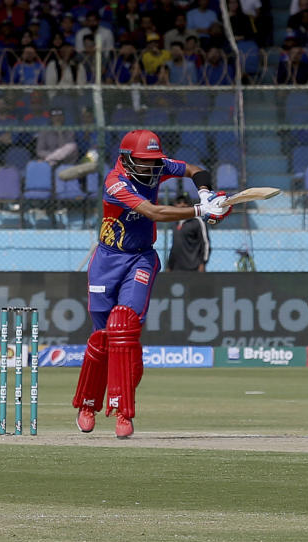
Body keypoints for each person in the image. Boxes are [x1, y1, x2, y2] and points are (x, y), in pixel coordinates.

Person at [73, 129, 233, 439]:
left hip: (141, 258)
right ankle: (88, 403)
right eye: (144, 162)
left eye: (153, 161)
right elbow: (153, 212)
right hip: (107, 263)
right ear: (127, 160)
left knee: (126, 329)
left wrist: (205, 193)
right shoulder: (114, 182)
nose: (150, 167)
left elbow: (194, 170)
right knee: (102, 338)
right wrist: (202, 211)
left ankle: (123, 412)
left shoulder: (157, 166)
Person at [167, 193, 212, 272]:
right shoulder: (175, 223)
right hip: (176, 269)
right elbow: (174, 247)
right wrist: (169, 266)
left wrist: (203, 263)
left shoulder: (197, 221)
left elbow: (206, 244)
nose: (182, 205)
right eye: (179, 202)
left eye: (185, 202)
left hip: (194, 268)